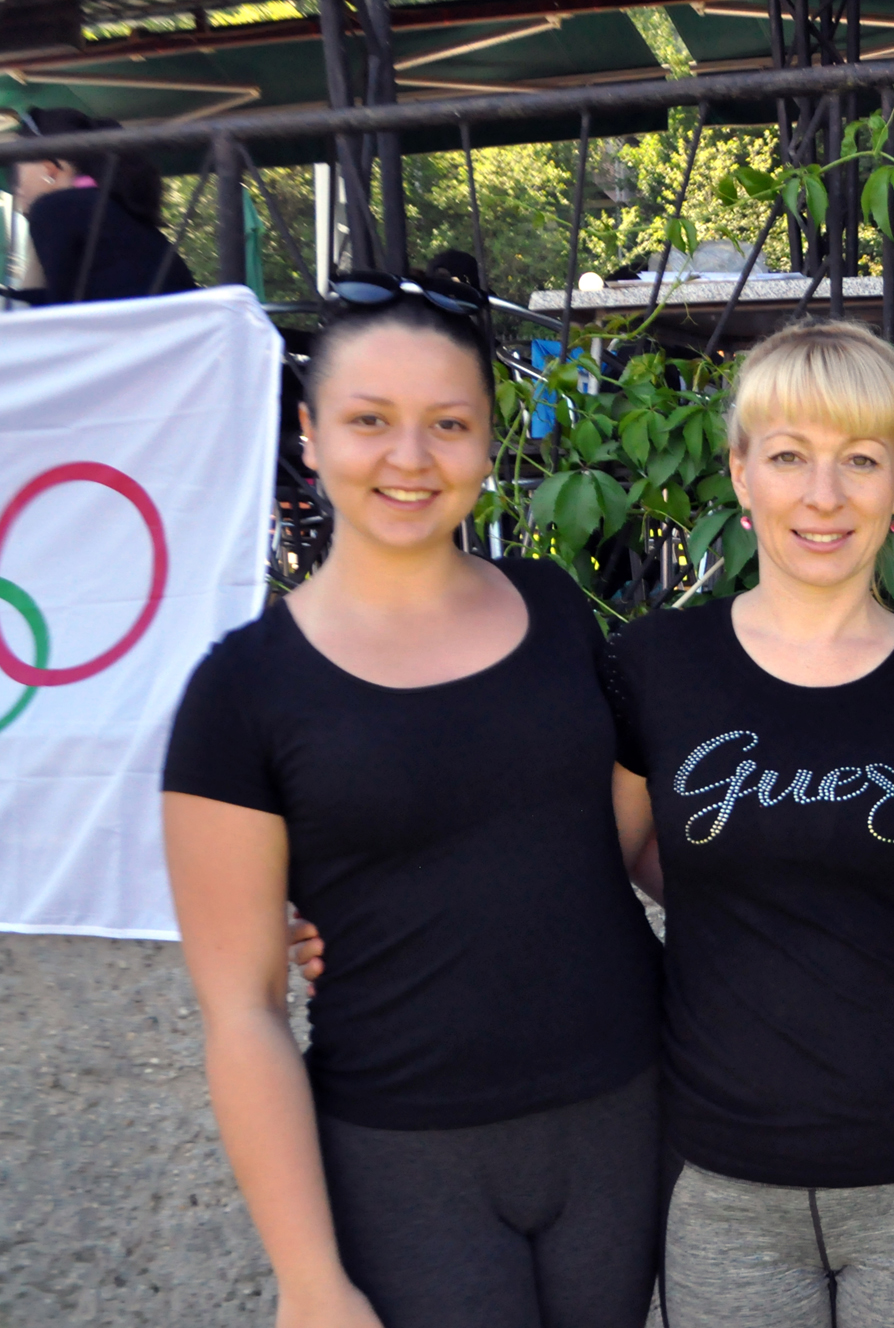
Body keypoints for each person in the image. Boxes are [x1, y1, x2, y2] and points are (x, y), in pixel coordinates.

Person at [161, 274, 664, 1328]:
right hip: (404, 1154)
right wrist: (309, 1281)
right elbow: (243, 1011)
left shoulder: (558, 610)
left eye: (448, 424)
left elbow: (621, 843)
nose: (410, 457)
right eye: (368, 421)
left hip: (623, 1114)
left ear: (488, 440)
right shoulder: (241, 690)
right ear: (308, 436)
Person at [601, 319, 894, 1327]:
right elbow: (588, 870)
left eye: (860, 460)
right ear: (740, 473)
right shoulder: (654, 667)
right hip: (718, 1177)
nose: (823, 495)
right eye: (789, 456)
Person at [7, 106, 195, 305]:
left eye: (16, 171)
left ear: (49, 169)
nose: (16, 186)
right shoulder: (113, 211)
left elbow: (52, 311)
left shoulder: (57, 207)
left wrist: (39, 216)